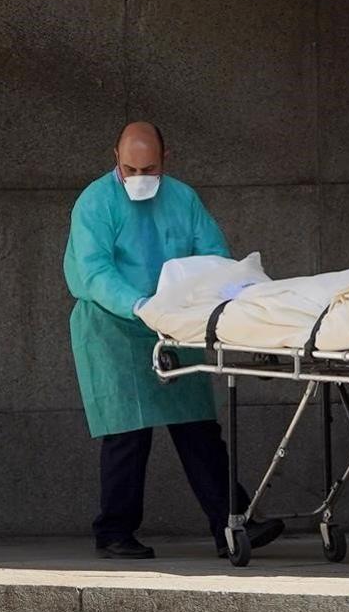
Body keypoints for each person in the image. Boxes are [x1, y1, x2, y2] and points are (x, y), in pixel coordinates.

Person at [64, 122, 284, 559]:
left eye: (149, 167)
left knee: (198, 428)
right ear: (115, 160)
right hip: (114, 328)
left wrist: (231, 292)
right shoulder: (95, 203)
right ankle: (113, 533)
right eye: (130, 168)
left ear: (166, 160)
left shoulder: (182, 199)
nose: (139, 176)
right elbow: (94, 272)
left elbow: (212, 254)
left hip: (173, 323)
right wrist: (140, 304)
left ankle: (232, 522)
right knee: (128, 433)